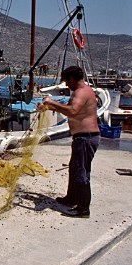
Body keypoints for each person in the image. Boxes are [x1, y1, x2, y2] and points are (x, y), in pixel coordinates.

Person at [41, 65, 100, 218]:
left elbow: (72, 111)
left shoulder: (82, 92)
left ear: (72, 79)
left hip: (86, 138)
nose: (66, 85)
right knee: (74, 169)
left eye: (67, 81)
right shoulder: (80, 92)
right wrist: (47, 106)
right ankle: (71, 198)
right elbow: (67, 109)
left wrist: (51, 102)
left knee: (81, 172)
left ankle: (83, 209)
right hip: (81, 138)